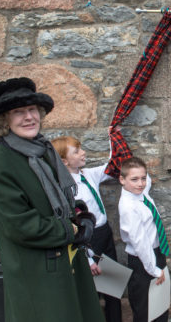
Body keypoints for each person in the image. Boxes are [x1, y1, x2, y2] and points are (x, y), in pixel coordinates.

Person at [0, 77, 105, 322]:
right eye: (18, 112)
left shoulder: (43, 151)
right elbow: (20, 225)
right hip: (37, 275)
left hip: (68, 265)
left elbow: (61, 200)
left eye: (32, 110)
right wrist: (70, 229)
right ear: (4, 120)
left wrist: (80, 214)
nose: (29, 117)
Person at [52, 134, 122, 322]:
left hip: (104, 234)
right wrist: (89, 259)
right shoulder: (64, 190)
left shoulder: (88, 174)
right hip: (87, 240)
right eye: (77, 151)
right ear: (64, 161)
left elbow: (115, 163)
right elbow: (73, 225)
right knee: (92, 293)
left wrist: (114, 134)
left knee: (114, 288)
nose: (83, 152)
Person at [118, 157, 169, 322]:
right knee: (145, 311)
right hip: (143, 261)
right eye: (134, 179)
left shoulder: (141, 194)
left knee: (160, 307)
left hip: (156, 253)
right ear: (122, 180)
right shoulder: (128, 206)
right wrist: (154, 270)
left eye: (143, 178)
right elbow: (140, 243)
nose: (140, 183)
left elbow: (144, 182)